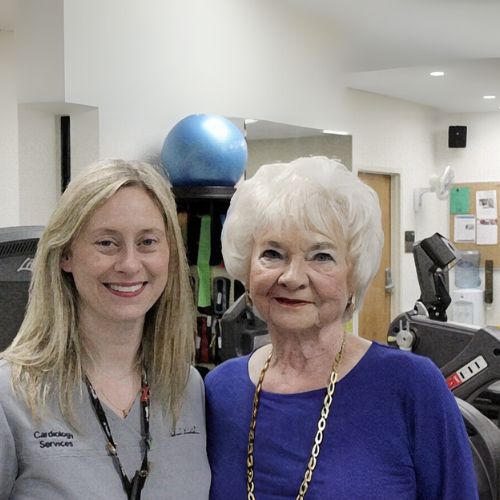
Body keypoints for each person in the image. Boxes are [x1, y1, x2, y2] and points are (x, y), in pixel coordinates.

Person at [205, 156, 478, 499]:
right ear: (246, 269)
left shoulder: (411, 387)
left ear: (353, 277)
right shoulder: (219, 390)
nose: (292, 277)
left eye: (322, 256)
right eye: (273, 253)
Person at [0, 160, 210, 499]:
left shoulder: (186, 389)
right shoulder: (11, 396)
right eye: (106, 243)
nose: (129, 264)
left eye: (147, 242)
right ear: (66, 254)